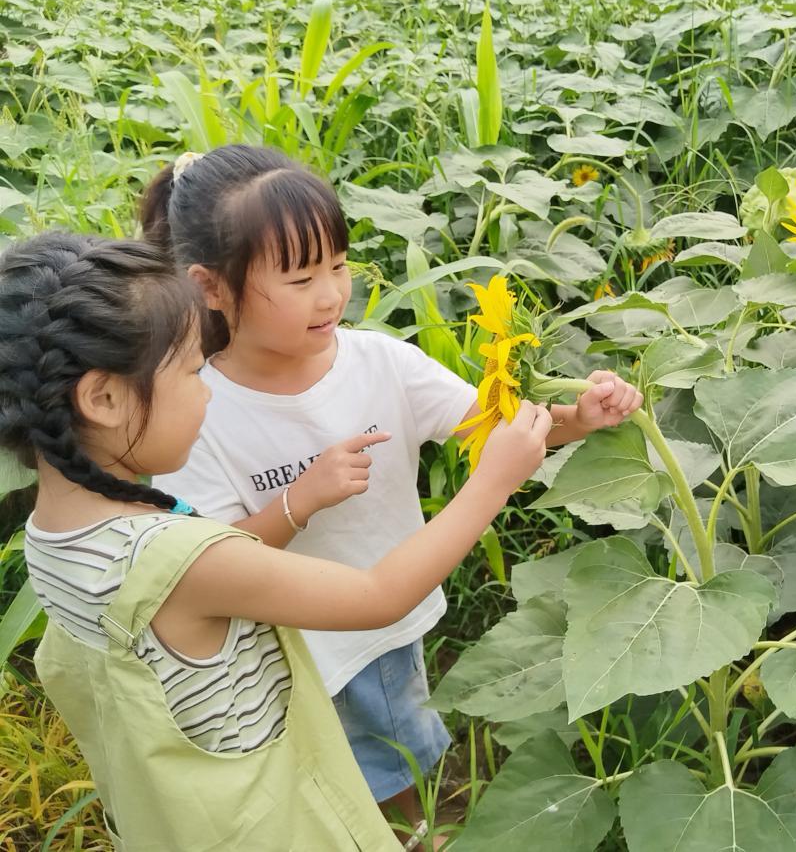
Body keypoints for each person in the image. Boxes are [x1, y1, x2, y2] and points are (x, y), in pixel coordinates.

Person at [140, 144, 642, 841]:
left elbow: (489, 427)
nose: (330, 294)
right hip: (282, 654)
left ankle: (412, 828)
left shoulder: (381, 363)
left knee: (392, 759)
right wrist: (299, 501)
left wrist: (575, 418)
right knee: (353, 774)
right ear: (212, 286)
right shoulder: (199, 408)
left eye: (338, 266)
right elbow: (207, 561)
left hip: (378, 631)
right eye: (300, 278)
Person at [0, 232, 553, 849]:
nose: (207, 389)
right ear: (103, 398)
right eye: (192, 371)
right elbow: (379, 595)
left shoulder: (47, 536)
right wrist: (494, 480)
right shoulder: (180, 561)